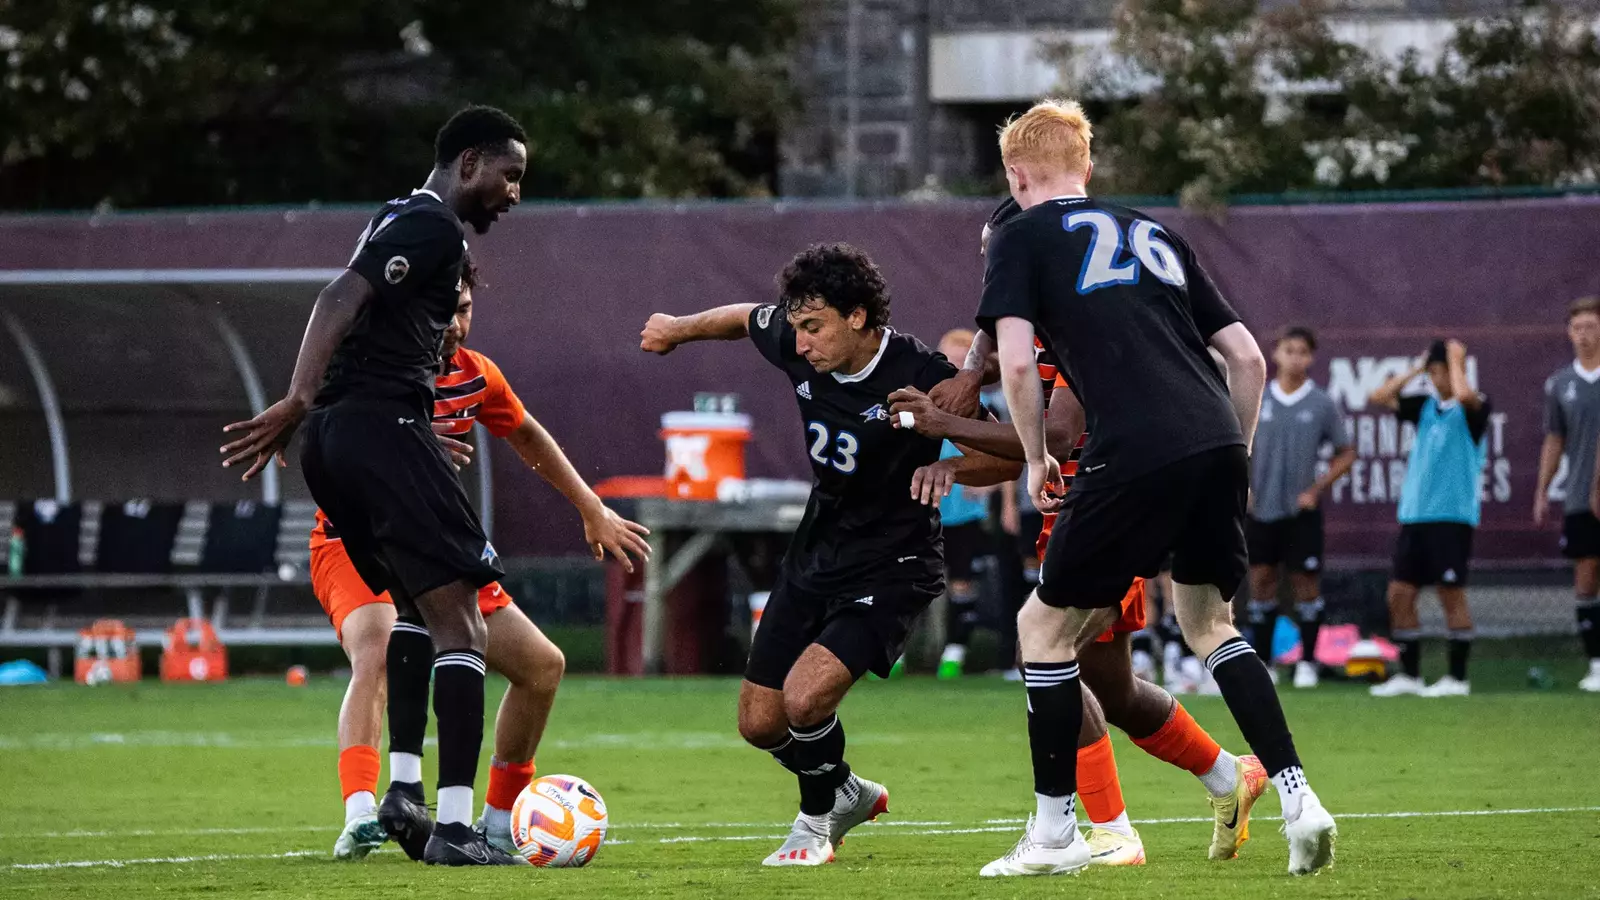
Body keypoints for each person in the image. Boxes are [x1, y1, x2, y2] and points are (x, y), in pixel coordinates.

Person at [971, 99, 1335, 877]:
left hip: (1130, 448)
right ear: (1088, 169)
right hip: (1213, 437)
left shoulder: (1017, 235)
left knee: (1042, 630)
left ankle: (1056, 834)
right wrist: (1232, 456)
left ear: (1015, 175)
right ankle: (1300, 799)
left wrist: (1035, 457)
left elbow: (1011, 364)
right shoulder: (1155, 231)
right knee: (1210, 624)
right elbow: (1249, 362)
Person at [888, 197, 1268, 869]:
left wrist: (944, 430)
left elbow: (1059, 435)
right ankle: (1225, 777)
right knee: (1110, 686)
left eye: (994, 251)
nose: (989, 265)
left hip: (1109, 507)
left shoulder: (1079, 318)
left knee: (1043, 650)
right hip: (1080, 506)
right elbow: (1023, 441)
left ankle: (1110, 831)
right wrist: (955, 446)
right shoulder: (1029, 322)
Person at [222, 105, 531, 865]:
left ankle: (400, 791)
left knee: (420, 614)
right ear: (468, 163)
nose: (514, 193)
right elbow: (338, 298)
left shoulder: (394, 217)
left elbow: (364, 323)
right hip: (369, 428)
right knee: (467, 623)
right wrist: (298, 398)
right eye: (509, 174)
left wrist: (321, 415)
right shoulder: (432, 226)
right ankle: (459, 831)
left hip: (344, 438)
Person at [313, 255, 650, 860]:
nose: (456, 325)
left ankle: (495, 825)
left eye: (464, 310)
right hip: (352, 537)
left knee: (542, 666)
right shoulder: (368, 367)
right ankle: (363, 813)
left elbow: (526, 434)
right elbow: (311, 423)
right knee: (380, 647)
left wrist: (591, 508)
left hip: (433, 543)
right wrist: (395, 442)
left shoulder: (476, 375)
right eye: (443, 311)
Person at [639, 243, 956, 867]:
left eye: (813, 327)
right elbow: (742, 317)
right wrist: (678, 329)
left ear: (858, 317)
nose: (800, 342)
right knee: (761, 722)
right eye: (797, 327)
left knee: (805, 699)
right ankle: (842, 789)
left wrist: (953, 463)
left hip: (895, 561)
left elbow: (1007, 450)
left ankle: (814, 825)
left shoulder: (924, 373)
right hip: (818, 550)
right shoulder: (793, 337)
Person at [1368, 340, 1491, 698]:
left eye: (1444, 371)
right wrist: (1418, 368)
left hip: (1451, 518)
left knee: (1450, 594)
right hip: (1415, 516)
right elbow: (1378, 396)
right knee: (1399, 594)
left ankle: (1457, 678)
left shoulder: (1474, 409)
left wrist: (1456, 361)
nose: (1440, 379)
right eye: (1434, 373)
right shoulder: (1424, 407)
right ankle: (1410, 675)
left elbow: (1465, 395)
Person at [1245, 326, 1357, 688]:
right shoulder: (1258, 398)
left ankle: (1308, 663)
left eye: (1302, 352)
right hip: (1260, 511)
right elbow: (1235, 446)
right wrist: (1243, 487)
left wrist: (1316, 489)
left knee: (1305, 585)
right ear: (1275, 354)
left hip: (1301, 514)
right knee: (1261, 582)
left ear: (1310, 358)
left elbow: (1347, 452)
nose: (1295, 358)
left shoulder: (1321, 403)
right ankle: (1264, 664)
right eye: (1288, 350)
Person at [1535, 296, 1600, 693]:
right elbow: (1554, 439)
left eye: (1592, 327)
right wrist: (1542, 489)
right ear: (1568, 333)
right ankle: (1596, 665)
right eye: (1578, 328)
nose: (1585, 335)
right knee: (1586, 579)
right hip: (1579, 499)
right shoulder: (1560, 384)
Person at [931, 329, 996, 680]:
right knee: (913, 579)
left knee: (962, 580)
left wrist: (990, 483)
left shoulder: (986, 405)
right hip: (928, 506)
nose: (951, 366)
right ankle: (892, 654)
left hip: (965, 512)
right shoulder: (924, 398)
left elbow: (1009, 452)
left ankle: (955, 652)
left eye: (960, 360)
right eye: (946, 358)